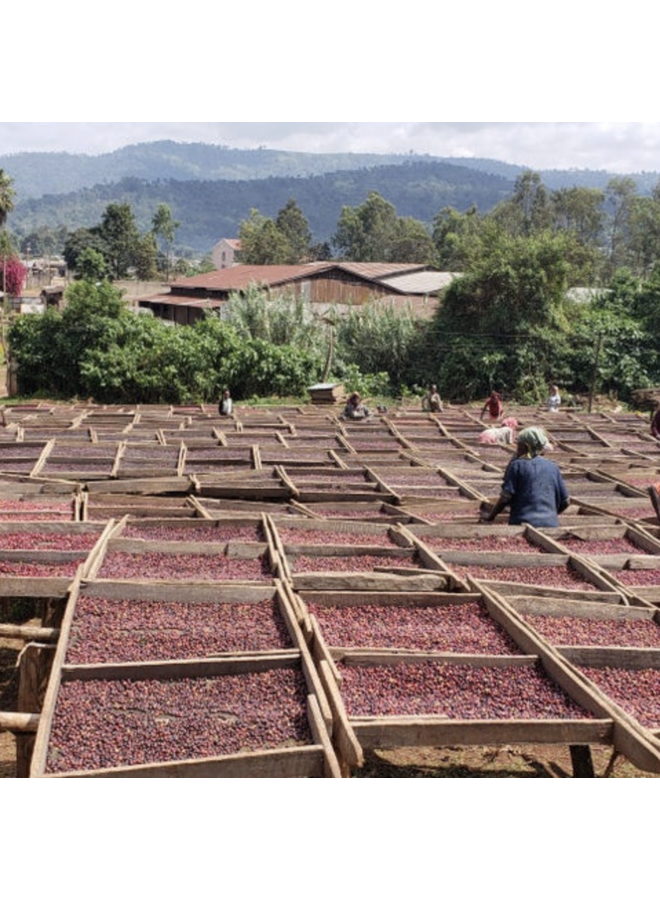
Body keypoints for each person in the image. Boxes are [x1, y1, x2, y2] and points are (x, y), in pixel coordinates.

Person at [480, 426, 570, 528]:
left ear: (527, 447)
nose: (517, 449)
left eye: (519, 445)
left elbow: (505, 498)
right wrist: (550, 515)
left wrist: (491, 517)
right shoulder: (553, 467)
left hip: (522, 522)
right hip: (551, 525)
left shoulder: (517, 465)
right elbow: (566, 502)